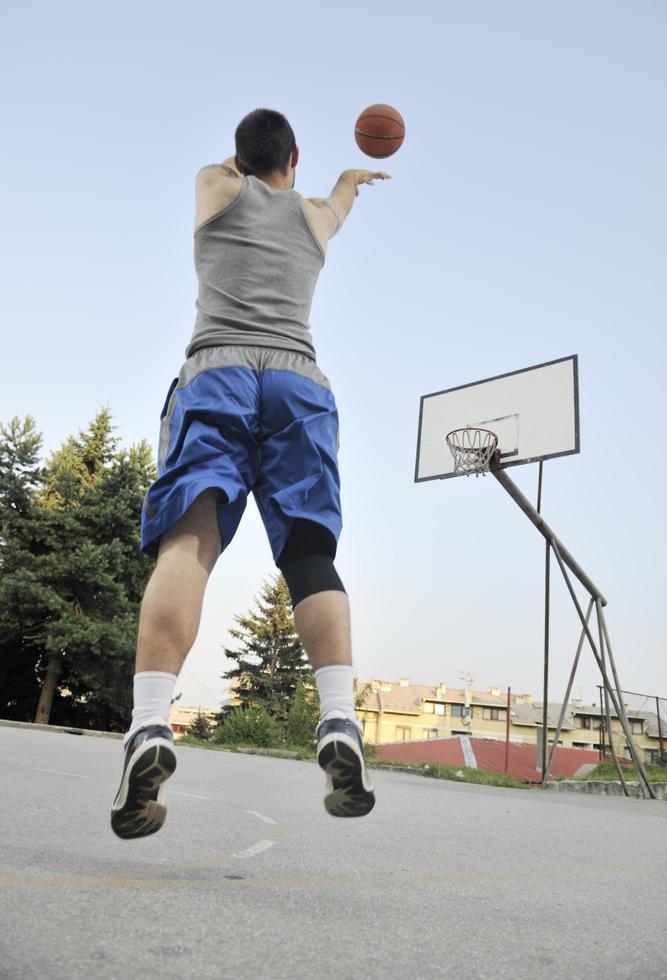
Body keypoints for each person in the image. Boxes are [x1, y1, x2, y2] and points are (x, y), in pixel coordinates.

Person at [111, 108, 390, 839]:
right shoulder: (313, 218)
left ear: (239, 156)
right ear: (292, 159)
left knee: (188, 545)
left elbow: (234, 169)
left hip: (219, 370)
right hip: (300, 382)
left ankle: (149, 727)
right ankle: (338, 720)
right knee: (308, 553)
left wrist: (247, 162)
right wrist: (347, 178)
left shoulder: (215, 185)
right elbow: (337, 205)